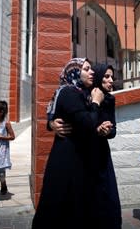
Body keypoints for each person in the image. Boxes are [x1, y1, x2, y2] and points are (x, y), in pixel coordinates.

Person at [32, 57, 104, 228]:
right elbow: (87, 123)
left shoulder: (81, 92)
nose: (92, 71)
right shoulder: (70, 93)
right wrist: (96, 103)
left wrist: (51, 124)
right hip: (68, 160)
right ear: (74, 72)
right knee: (61, 205)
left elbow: (57, 115)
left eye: (91, 68)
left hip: (77, 157)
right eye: (86, 69)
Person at [90, 63, 122, 228]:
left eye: (112, 77)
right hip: (84, 152)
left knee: (107, 194)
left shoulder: (110, 99)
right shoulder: (87, 96)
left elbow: (114, 130)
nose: (111, 81)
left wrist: (106, 131)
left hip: (101, 152)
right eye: (107, 76)